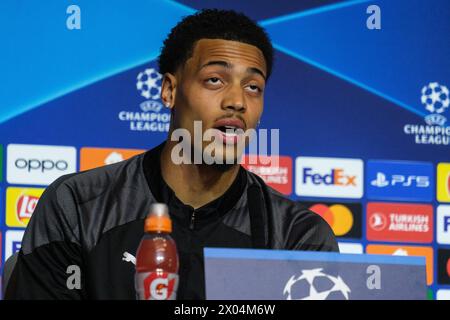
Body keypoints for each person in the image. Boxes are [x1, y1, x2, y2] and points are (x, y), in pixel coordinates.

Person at [5, 9, 338, 300]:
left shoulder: (298, 236)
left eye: (253, 87)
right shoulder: (77, 205)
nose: (237, 101)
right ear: (169, 91)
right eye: (215, 80)